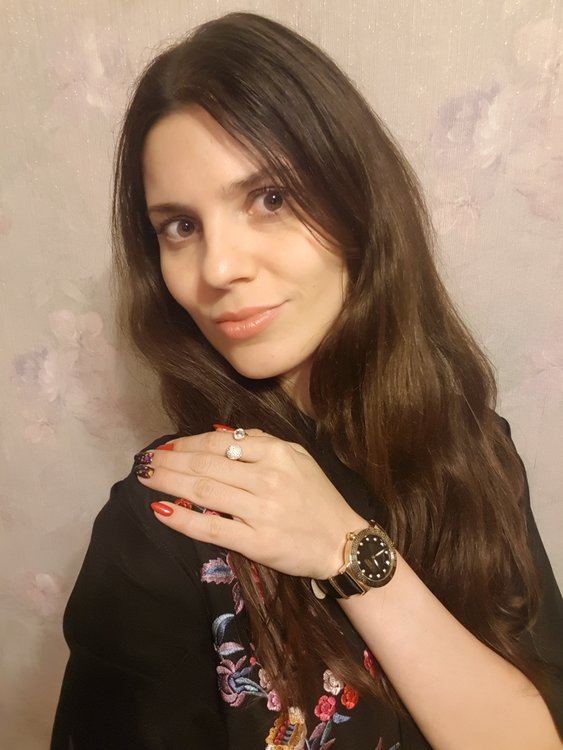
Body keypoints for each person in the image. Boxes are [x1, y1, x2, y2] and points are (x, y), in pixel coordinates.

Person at [51, 11, 562, 750]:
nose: (219, 267)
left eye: (270, 198)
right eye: (181, 226)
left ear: (358, 203)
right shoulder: (163, 529)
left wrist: (347, 551)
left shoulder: (470, 448)